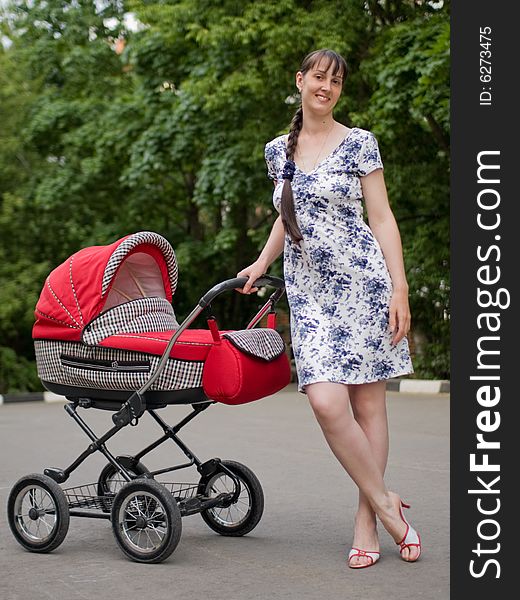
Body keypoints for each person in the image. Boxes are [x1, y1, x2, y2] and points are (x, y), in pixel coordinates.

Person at [237, 49, 420, 569]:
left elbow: (382, 219)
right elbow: (285, 215)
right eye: (319, 77)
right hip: (309, 292)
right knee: (325, 401)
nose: (327, 87)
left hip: (363, 285)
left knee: (368, 407)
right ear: (300, 81)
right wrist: (259, 262)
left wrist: (400, 288)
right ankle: (389, 505)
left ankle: (368, 522)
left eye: (336, 81)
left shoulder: (360, 142)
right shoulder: (278, 152)